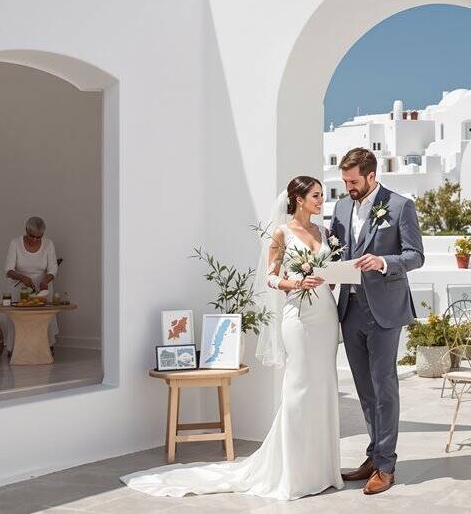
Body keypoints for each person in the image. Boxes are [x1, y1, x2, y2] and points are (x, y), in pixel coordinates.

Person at [120, 176, 344, 500]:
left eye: (322, 195)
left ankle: (323, 470)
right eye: (316, 195)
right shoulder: (281, 233)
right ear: (297, 198)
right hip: (298, 316)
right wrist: (295, 284)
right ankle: (294, 472)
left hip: (326, 313)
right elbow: (269, 278)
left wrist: (330, 278)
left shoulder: (323, 233)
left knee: (324, 386)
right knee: (298, 387)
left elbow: (330, 272)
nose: (321, 200)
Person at [329, 147, 424, 495]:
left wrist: (383, 262)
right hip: (349, 310)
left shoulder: (400, 206)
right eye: (344, 181)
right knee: (365, 390)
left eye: (353, 182)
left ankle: (386, 465)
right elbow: (335, 249)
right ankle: (373, 454)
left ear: (371, 176)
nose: (348, 188)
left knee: (384, 387)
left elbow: (416, 256)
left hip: (385, 310)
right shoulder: (340, 207)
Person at [3, 216, 59, 352]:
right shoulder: (15, 243)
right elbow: (8, 270)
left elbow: (53, 268)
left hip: (43, 287)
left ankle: (45, 347)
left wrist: (45, 280)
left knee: (43, 318)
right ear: (26, 230)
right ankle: (16, 349)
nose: (35, 239)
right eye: (32, 236)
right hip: (19, 287)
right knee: (18, 318)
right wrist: (22, 277)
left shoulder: (48, 244)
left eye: (39, 237)